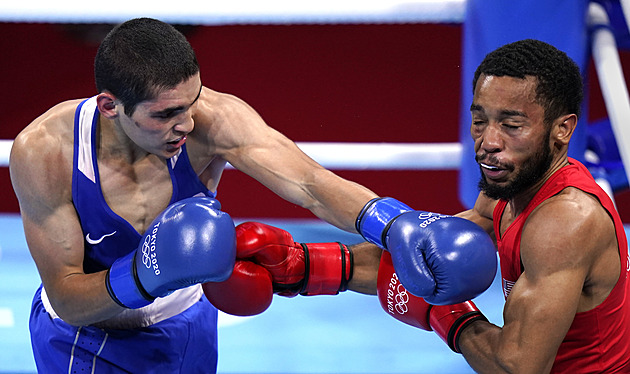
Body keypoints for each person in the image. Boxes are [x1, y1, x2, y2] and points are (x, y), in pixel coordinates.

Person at [9, 17, 497, 373]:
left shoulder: (214, 120)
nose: (186, 123)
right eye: (164, 115)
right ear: (110, 106)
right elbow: (69, 297)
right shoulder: (47, 151)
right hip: (84, 341)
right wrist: (145, 273)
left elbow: (310, 183)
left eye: (192, 102)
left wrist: (392, 223)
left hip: (187, 323)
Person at [221, 39, 630, 373]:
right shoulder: (508, 186)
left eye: (511, 125)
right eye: (480, 119)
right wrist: (311, 266)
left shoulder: (564, 223)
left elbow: (518, 367)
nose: (488, 141)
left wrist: (446, 314)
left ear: (563, 129)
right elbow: (424, 254)